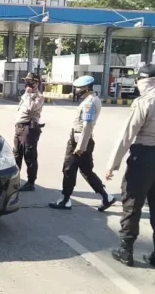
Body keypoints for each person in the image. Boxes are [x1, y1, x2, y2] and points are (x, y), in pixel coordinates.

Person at [105, 63, 155, 272]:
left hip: (143, 158)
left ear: (146, 81)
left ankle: (126, 251)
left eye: (139, 80)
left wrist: (112, 165)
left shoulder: (144, 102)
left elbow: (127, 135)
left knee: (132, 205)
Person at [49, 75, 116, 211]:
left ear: (86, 88)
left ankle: (66, 200)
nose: (77, 91)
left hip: (79, 140)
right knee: (86, 171)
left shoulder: (88, 103)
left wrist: (80, 146)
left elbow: (87, 125)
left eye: (79, 88)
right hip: (84, 139)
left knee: (69, 169)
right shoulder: (93, 99)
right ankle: (106, 197)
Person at [14, 72, 45, 192]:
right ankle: (15, 180)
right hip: (20, 127)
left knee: (30, 156)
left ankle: (31, 182)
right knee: (17, 155)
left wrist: (28, 94)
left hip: (29, 128)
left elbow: (30, 108)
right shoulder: (26, 94)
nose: (26, 83)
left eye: (29, 81)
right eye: (26, 81)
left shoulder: (39, 96)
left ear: (36, 83)